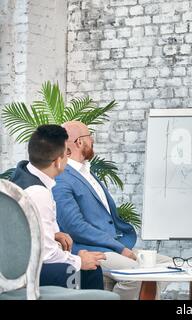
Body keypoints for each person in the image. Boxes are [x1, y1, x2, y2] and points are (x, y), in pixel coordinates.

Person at [52, 121, 171, 300]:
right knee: (137, 274)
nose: (92, 140)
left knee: (167, 265)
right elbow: (74, 226)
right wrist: (119, 248)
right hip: (91, 249)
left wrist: (120, 246)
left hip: (114, 246)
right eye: (89, 136)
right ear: (79, 142)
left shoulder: (88, 172)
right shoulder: (62, 178)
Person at [11, 125, 106, 289]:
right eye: (65, 154)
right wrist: (79, 261)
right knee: (91, 269)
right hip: (24, 272)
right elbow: (47, 255)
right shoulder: (38, 192)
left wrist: (53, 234)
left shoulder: (22, 174)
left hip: (14, 263)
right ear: (58, 161)